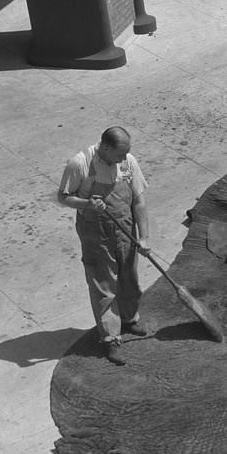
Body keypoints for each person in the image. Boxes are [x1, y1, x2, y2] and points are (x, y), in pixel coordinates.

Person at [58, 127, 151, 366]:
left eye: (126, 153)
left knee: (129, 276)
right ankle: (111, 338)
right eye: (119, 154)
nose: (123, 159)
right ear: (105, 148)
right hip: (95, 232)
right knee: (104, 284)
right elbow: (64, 197)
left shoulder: (128, 162)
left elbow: (139, 200)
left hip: (125, 228)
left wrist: (144, 237)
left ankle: (130, 318)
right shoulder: (80, 164)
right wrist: (87, 204)